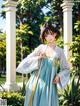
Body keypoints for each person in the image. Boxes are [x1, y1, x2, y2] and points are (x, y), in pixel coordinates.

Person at [16, 22, 70, 106]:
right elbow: (27, 60)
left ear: (55, 34)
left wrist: (59, 76)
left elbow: (66, 68)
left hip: (50, 83)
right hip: (37, 81)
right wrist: (38, 58)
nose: (48, 37)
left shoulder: (60, 51)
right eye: (46, 35)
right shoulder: (41, 48)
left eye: (50, 34)